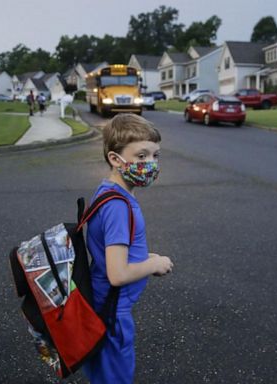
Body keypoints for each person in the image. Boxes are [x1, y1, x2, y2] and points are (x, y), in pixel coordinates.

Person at [83, 113, 173, 384]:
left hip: (103, 304)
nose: (151, 164)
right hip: (112, 311)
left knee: (104, 373)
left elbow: (113, 252)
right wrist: (154, 264)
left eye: (155, 156)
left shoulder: (109, 191)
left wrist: (145, 257)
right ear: (115, 158)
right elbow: (118, 274)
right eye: (142, 156)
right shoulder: (118, 207)